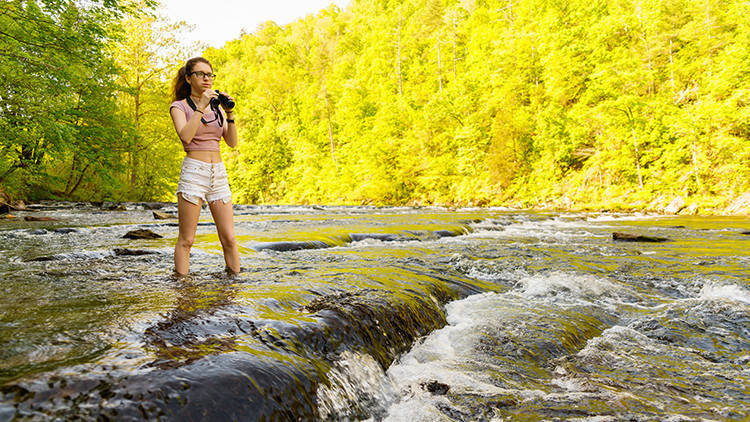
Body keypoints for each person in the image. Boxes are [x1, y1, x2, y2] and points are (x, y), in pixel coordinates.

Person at [170, 57, 239, 275]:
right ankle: (182, 289)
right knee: (187, 239)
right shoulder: (179, 107)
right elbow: (186, 137)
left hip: (218, 173)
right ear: (188, 78)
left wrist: (229, 112)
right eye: (201, 74)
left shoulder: (216, 109)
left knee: (228, 238)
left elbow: (232, 142)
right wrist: (201, 106)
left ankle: (234, 287)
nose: (207, 78)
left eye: (210, 74)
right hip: (194, 171)